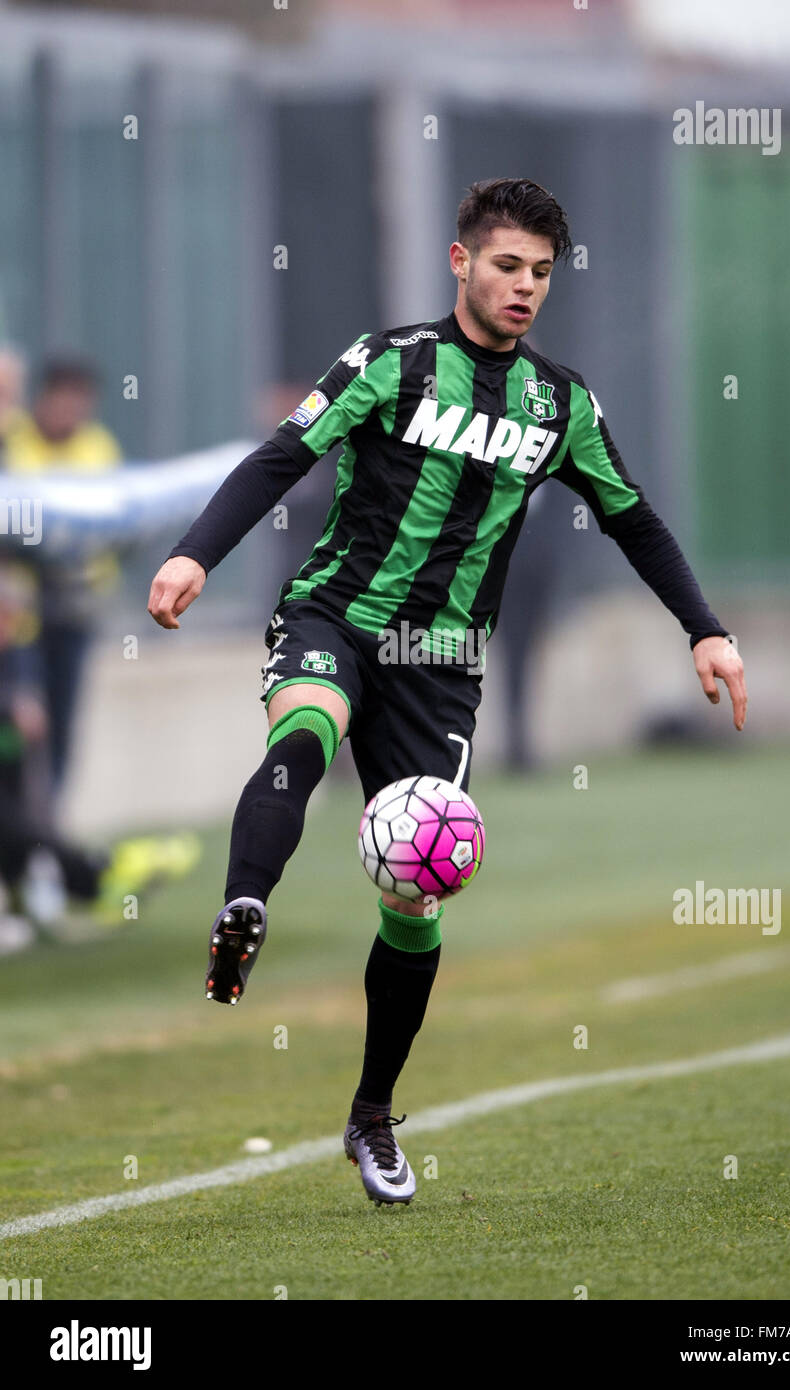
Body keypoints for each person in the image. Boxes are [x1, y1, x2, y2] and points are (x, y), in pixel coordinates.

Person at [147, 178, 747, 1207]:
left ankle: (372, 1112)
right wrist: (196, 555)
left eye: (541, 273)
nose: (524, 287)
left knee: (416, 888)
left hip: (442, 665)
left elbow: (633, 518)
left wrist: (706, 628)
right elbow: (281, 456)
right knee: (303, 733)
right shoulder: (390, 363)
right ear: (460, 261)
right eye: (507, 265)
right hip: (338, 614)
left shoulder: (559, 405)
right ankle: (246, 900)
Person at [3, 357, 122, 791]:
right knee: (22, 716)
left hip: (75, 609)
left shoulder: (99, 447)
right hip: (20, 616)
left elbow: (113, 523)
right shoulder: (14, 441)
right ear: (44, 398)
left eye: (81, 403)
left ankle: (48, 830)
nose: (72, 412)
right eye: (64, 401)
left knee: (62, 721)